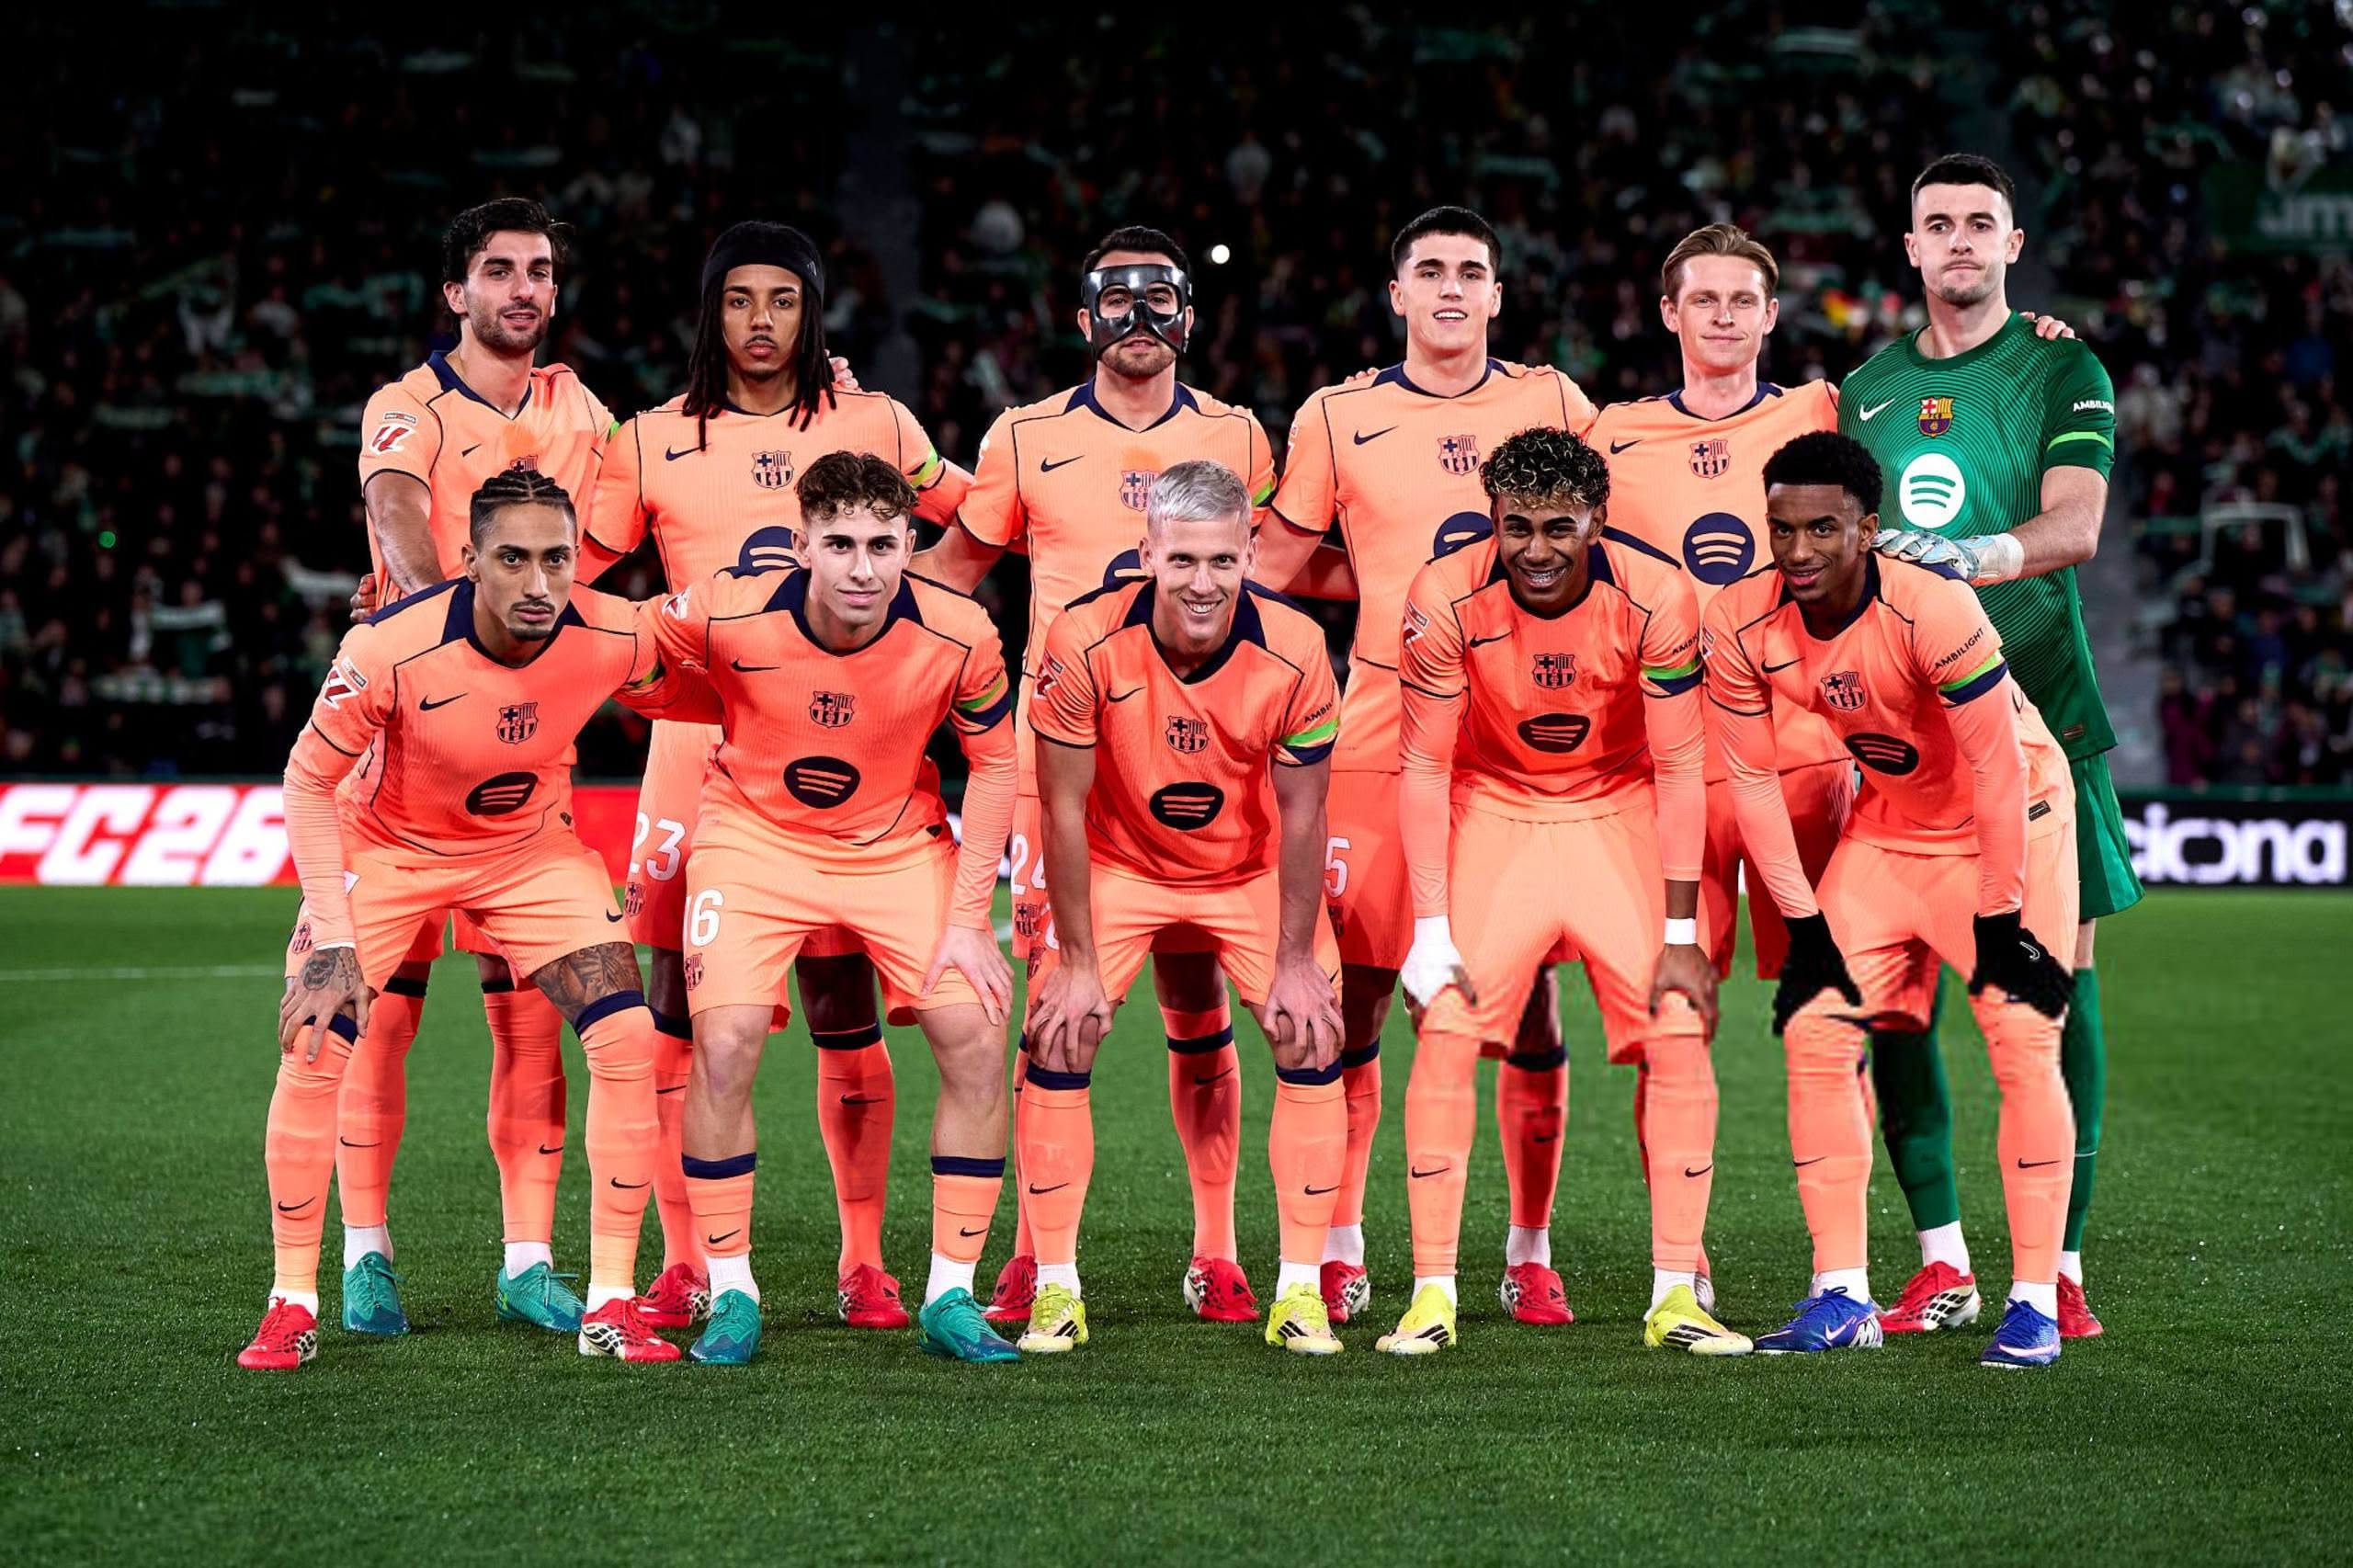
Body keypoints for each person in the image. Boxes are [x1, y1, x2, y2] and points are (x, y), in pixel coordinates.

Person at [584, 221, 972, 1335]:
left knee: (845, 1003)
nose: (761, 321)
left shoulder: (874, 420)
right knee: (682, 1007)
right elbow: (584, 582)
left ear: (814, 312)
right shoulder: (651, 437)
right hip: (698, 752)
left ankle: (864, 1261)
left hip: (859, 750)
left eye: (784, 300)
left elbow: (983, 515)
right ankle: (686, 1260)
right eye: (739, 299)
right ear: (711, 312)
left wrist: (919, 626)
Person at [241, 472, 707, 1369]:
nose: (539, 583)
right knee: (316, 1035)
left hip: (528, 851)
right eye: (513, 559)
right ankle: (292, 1300)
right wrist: (332, 938)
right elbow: (305, 780)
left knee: (626, 1035)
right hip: (389, 848)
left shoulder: (614, 630)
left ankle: (610, 1301)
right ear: (470, 561)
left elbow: (703, 690)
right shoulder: (389, 646)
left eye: (557, 559)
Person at [915, 227, 1287, 1327]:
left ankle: (1216, 1249)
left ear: (1189, 317)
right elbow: (953, 571)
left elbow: (1271, 575)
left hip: (1207, 754)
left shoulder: (1237, 434)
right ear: (1083, 320)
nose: (1138, 321)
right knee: (1054, 1004)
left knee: (1198, 1000)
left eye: (1158, 299)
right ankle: (1037, 1253)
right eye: (1115, 301)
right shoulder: (1024, 435)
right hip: (1063, 760)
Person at [1265, 206, 1601, 1326]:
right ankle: (1341, 1242)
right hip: (1376, 726)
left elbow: (1610, 530)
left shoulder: (1554, 402)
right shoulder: (1338, 413)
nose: (1452, 287)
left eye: (1471, 271)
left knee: (1528, 995)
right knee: (1357, 989)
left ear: (1496, 295)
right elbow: (1276, 559)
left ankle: (1527, 1249)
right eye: (1431, 271)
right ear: (1397, 294)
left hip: (1517, 731)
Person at [1704, 431, 2079, 1369]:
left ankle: (2034, 1302)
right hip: (1891, 825)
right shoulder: (1739, 618)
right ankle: (1842, 1293)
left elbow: (1996, 769)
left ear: (1868, 530)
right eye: (1782, 529)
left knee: (2021, 1035)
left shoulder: (1932, 605)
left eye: (1823, 529)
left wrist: (2001, 917)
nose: (1798, 551)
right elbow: (1751, 781)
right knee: (1813, 1024)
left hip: (2011, 821)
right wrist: (1802, 924)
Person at [1841, 153, 2132, 1339]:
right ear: (1910, 248)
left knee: (2058, 986)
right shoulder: (1861, 391)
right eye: (1938, 223)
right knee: (1893, 995)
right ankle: (1941, 1259)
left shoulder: (2062, 364)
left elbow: (2078, 524)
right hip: (1906, 738)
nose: (1958, 239)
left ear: (2011, 243)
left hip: (2042, 713)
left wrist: (1973, 557)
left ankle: (2056, 1264)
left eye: (1979, 222)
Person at [1373, 426, 1743, 1357]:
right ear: (1493, 519)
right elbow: (1424, 764)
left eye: (1559, 527)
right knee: (1447, 1022)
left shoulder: (1658, 593)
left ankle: (1677, 1291)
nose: (1536, 549)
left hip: (1619, 805)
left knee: (1677, 1023)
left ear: (1598, 521)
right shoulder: (1442, 593)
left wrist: (1680, 932)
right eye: (1518, 527)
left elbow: (1680, 765)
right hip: (1496, 806)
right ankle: (1430, 1293)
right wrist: (1428, 929)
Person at [651, 451, 1020, 1366]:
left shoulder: (961, 633)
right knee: (725, 1042)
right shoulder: (724, 608)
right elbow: (614, 650)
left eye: (883, 546)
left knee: (977, 1035)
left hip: (894, 844)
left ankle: (950, 1293)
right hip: (754, 838)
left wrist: (969, 920)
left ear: (909, 545)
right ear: (802, 545)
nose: (863, 567)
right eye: (841, 544)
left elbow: (997, 766)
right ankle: (732, 1290)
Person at [342, 198, 619, 1340]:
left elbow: (610, 535)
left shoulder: (581, 412)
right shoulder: (405, 406)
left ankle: (528, 1260)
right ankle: (365, 1254)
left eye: (539, 271)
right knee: (380, 1017)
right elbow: (399, 516)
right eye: (498, 270)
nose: (522, 289)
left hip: (523, 758)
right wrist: (437, 623)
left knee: (531, 1015)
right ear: (456, 292)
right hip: (402, 756)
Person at [1017, 460, 1347, 1357]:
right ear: (1147, 554)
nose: (1204, 582)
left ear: (1250, 555)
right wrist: (1078, 960)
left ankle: (1298, 1290)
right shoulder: (1084, 637)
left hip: (1247, 869)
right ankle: (1055, 1287)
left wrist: (1294, 962)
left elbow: (1305, 815)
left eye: (1222, 560)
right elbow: (1062, 808)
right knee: (1060, 1031)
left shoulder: (1297, 648)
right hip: (1120, 863)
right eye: (1183, 560)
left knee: (1310, 1029)